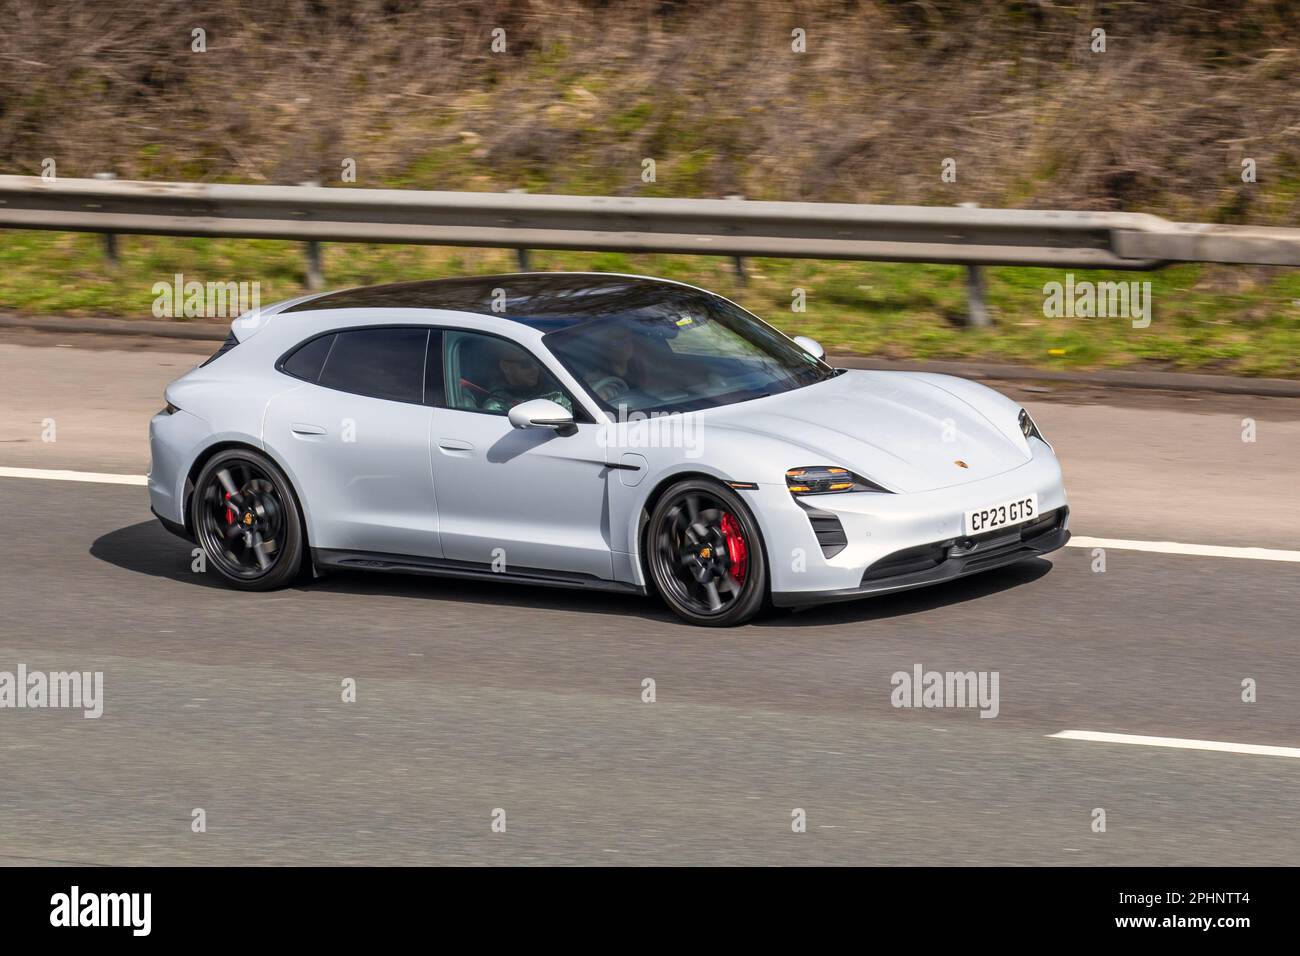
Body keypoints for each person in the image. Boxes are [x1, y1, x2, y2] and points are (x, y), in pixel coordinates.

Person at [481, 342, 573, 414]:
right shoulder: (496, 406)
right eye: (526, 364)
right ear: (505, 367)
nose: (535, 369)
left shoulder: (554, 389)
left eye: (537, 363)